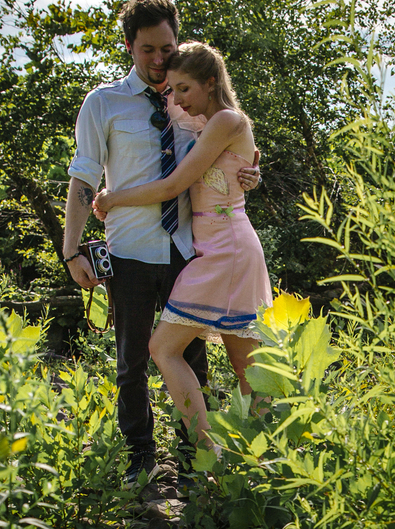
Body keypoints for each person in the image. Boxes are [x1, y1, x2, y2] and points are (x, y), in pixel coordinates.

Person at [61, 0, 258, 484]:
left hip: (190, 249)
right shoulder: (103, 103)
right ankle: (140, 462)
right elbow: (84, 176)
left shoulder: (189, 102)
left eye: (166, 49)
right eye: (147, 49)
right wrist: (71, 248)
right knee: (131, 361)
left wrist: (252, 173)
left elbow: (228, 151)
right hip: (128, 249)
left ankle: (196, 464)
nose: (157, 60)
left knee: (192, 357)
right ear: (129, 46)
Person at [92, 40, 270, 452]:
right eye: (172, 89)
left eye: (185, 88)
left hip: (228, 248)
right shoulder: (205, 120)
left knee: (172, 350)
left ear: (210, 82)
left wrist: (113, 197)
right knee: (246, 367)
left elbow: (175, 185)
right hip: (213, 247)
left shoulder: (225, 119)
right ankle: (236, 462)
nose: (177, 98)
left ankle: (225, 457)